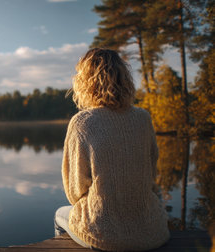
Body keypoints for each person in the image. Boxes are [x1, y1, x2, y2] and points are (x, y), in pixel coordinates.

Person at [54, 48, 170, 251]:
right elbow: (151, 173)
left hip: (103, 234)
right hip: (150, 229)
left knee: (59, 215)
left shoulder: (82, 123)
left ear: (85, 82)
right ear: (124, 79)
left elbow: (74, 191)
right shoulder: (143, 118)